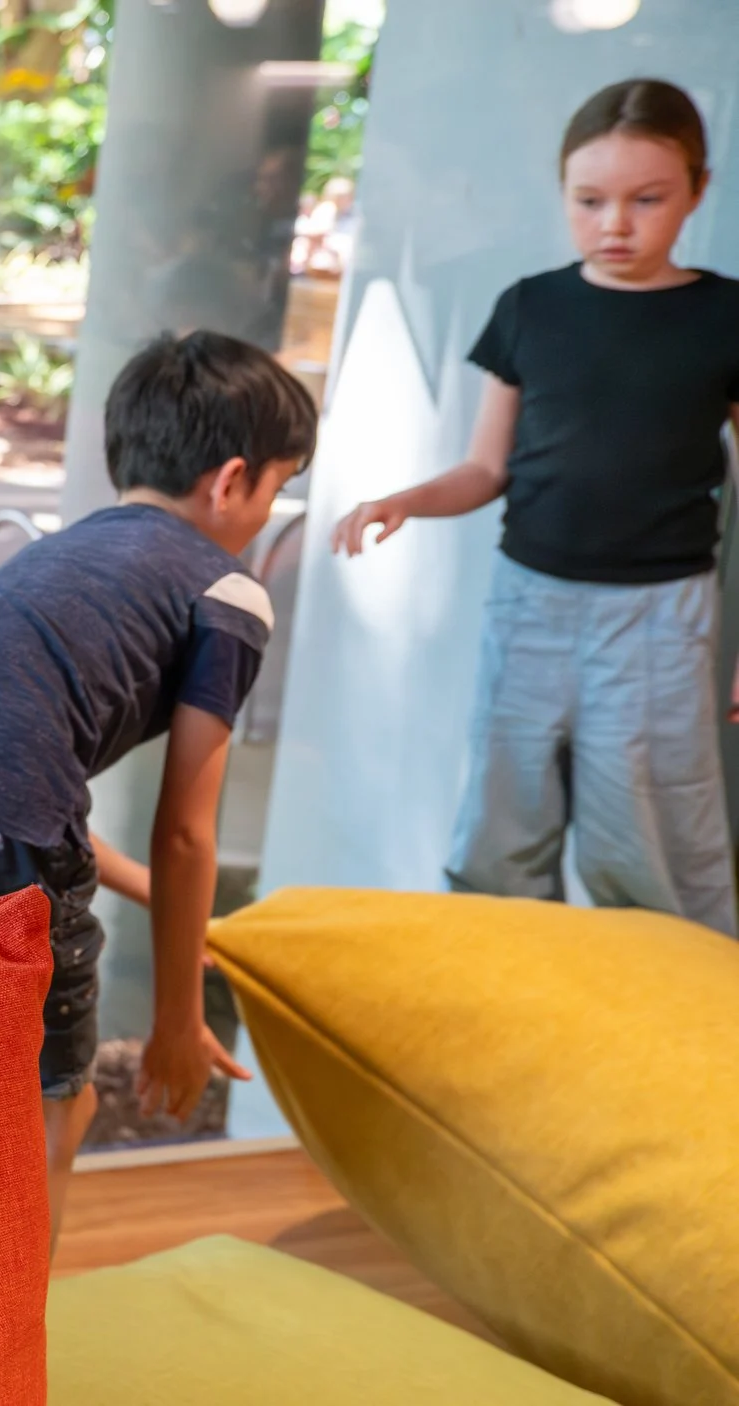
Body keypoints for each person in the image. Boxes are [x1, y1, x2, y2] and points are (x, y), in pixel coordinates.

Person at [0, 330, 316, 1246]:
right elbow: (185, 833)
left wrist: (186, 923)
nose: (266, 515)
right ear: (233, 479)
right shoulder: (229, 591)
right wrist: (177, 1020)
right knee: (52, 1115)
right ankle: (0, 1360)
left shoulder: (63, 556)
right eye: (278, 490)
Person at [331, 78, 739, 938]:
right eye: (590, 201)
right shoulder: (531, 306)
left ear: (699, 190)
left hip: (661, 617)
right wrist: (405, 498)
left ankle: (679, 1023)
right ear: (564, 195)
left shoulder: (725, 316)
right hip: (529, 606)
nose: (615, 224)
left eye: (647, 199)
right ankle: (500, 995)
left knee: (653, 833)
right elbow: (487, 469)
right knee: (500, 823)